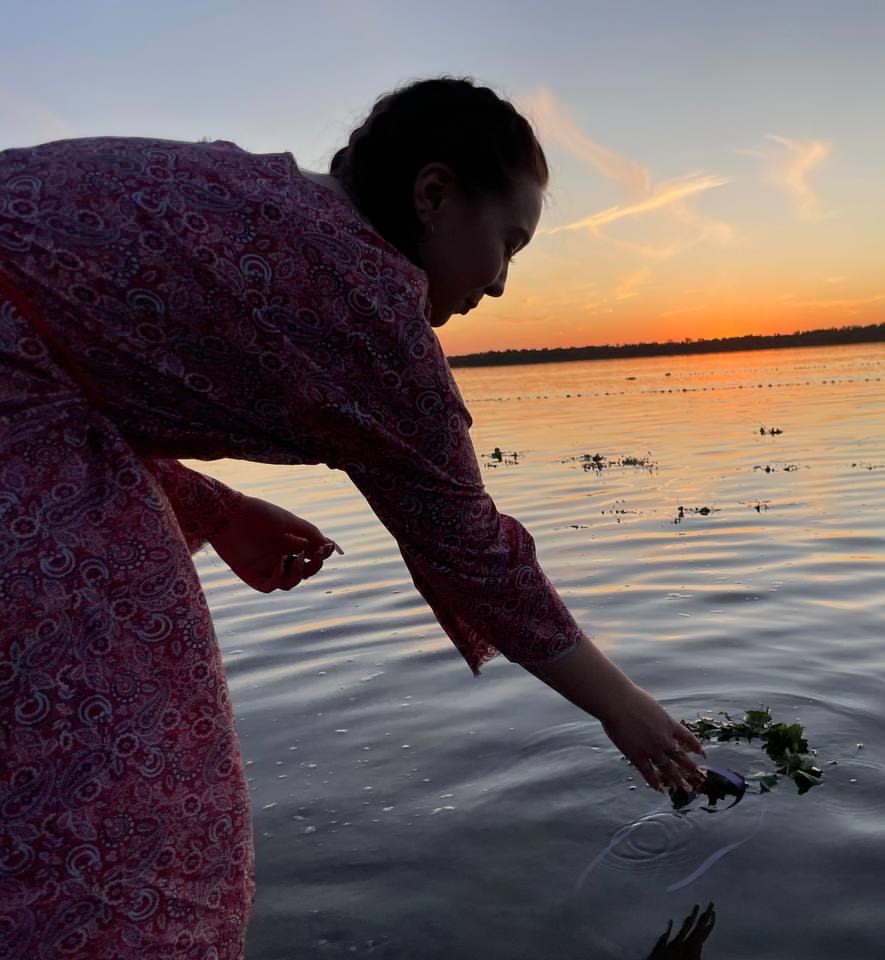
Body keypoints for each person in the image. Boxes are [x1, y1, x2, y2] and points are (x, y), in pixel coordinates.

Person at [0, 75, 705, 959]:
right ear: (434, 193)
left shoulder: (261, 199)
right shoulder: (365, 306)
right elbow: (477, 554)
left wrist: (216, 507)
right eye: (508, 244)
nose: (500, 285)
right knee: (144, 827)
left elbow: (65, 348)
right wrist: (622, 706)